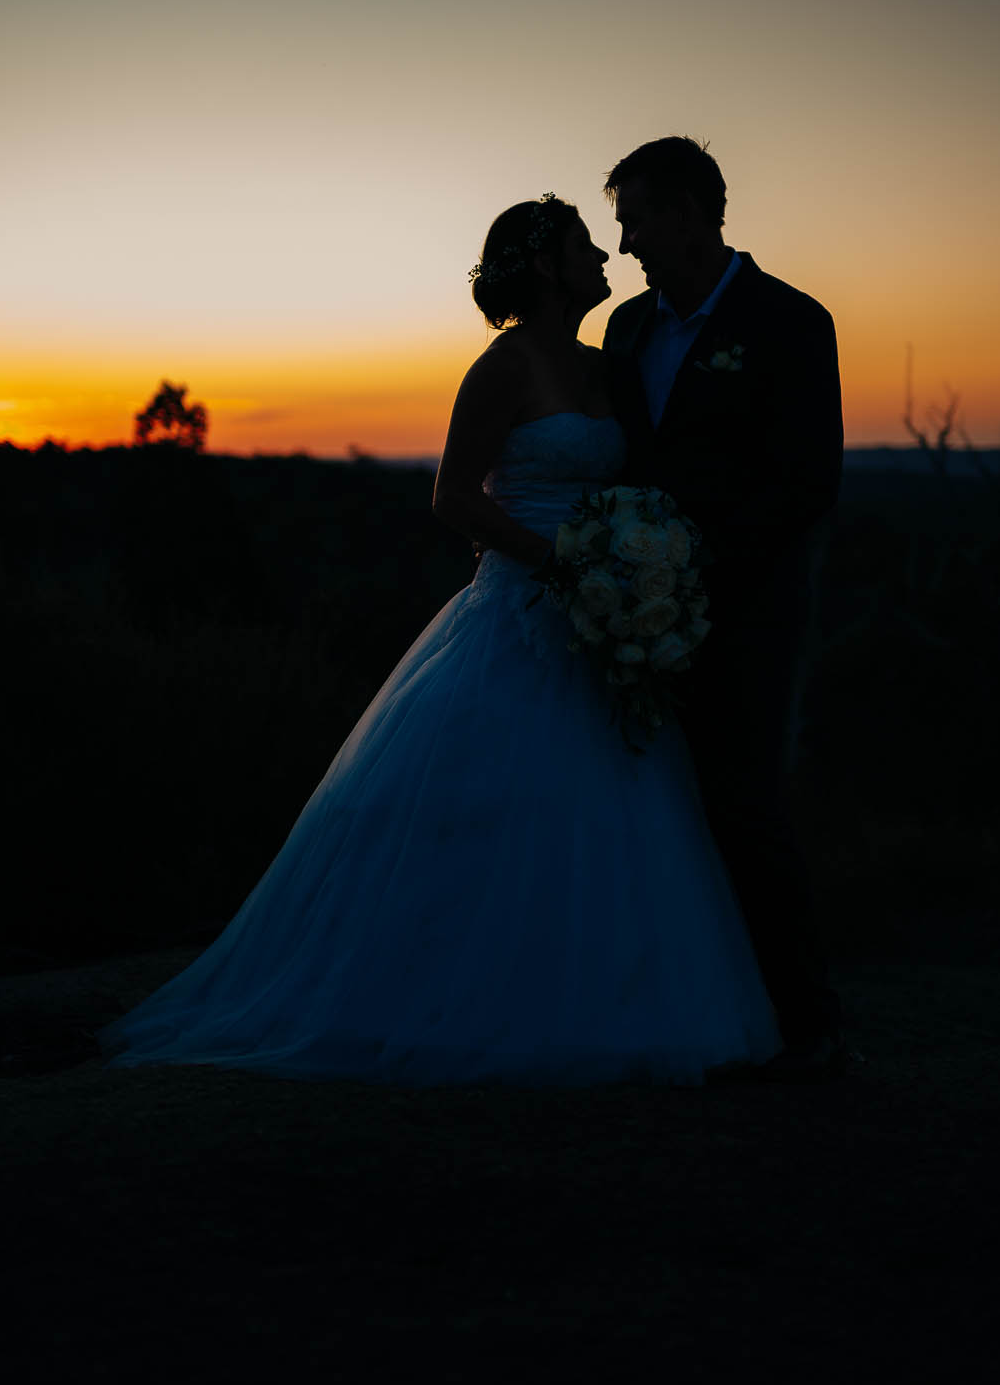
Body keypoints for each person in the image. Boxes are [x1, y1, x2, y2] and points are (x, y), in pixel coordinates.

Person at [100, 193, 781, 1083]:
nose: (605, 257)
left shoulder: (602, 360)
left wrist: (630, 565)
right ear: (546, 265)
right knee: (496, 812)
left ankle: (596, 1001)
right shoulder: (500, 370)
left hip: (604, 625)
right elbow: (453, 497)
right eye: (584, 244)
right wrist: (564, 564)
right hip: (521, 614)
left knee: (612, 813)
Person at [601, 137, 845, 1074]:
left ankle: (807, 1024)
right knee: (647, 805)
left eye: (634, 223)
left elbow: (805, 481)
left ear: (687, 213)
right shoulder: (624, 331)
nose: (625, 247)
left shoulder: (789, 320)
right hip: (630, 617)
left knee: (745, 807)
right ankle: (669, 1007)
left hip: (747, 614)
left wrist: (694, 574)